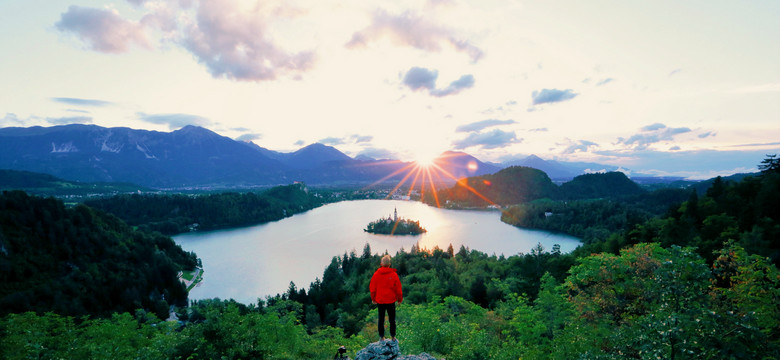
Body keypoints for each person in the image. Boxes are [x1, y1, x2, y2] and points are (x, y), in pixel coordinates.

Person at [369, 254, 403, 342]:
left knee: (381, 319)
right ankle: (393, 337)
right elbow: (398, 289)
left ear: (381, 264)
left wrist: (373, 299)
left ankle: (382, 337)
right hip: (391, 300)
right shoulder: (394, 275)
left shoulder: (376, 274)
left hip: (380, 301)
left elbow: (372, 288)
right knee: (392, 319)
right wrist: (399, 299)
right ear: (389, 264)